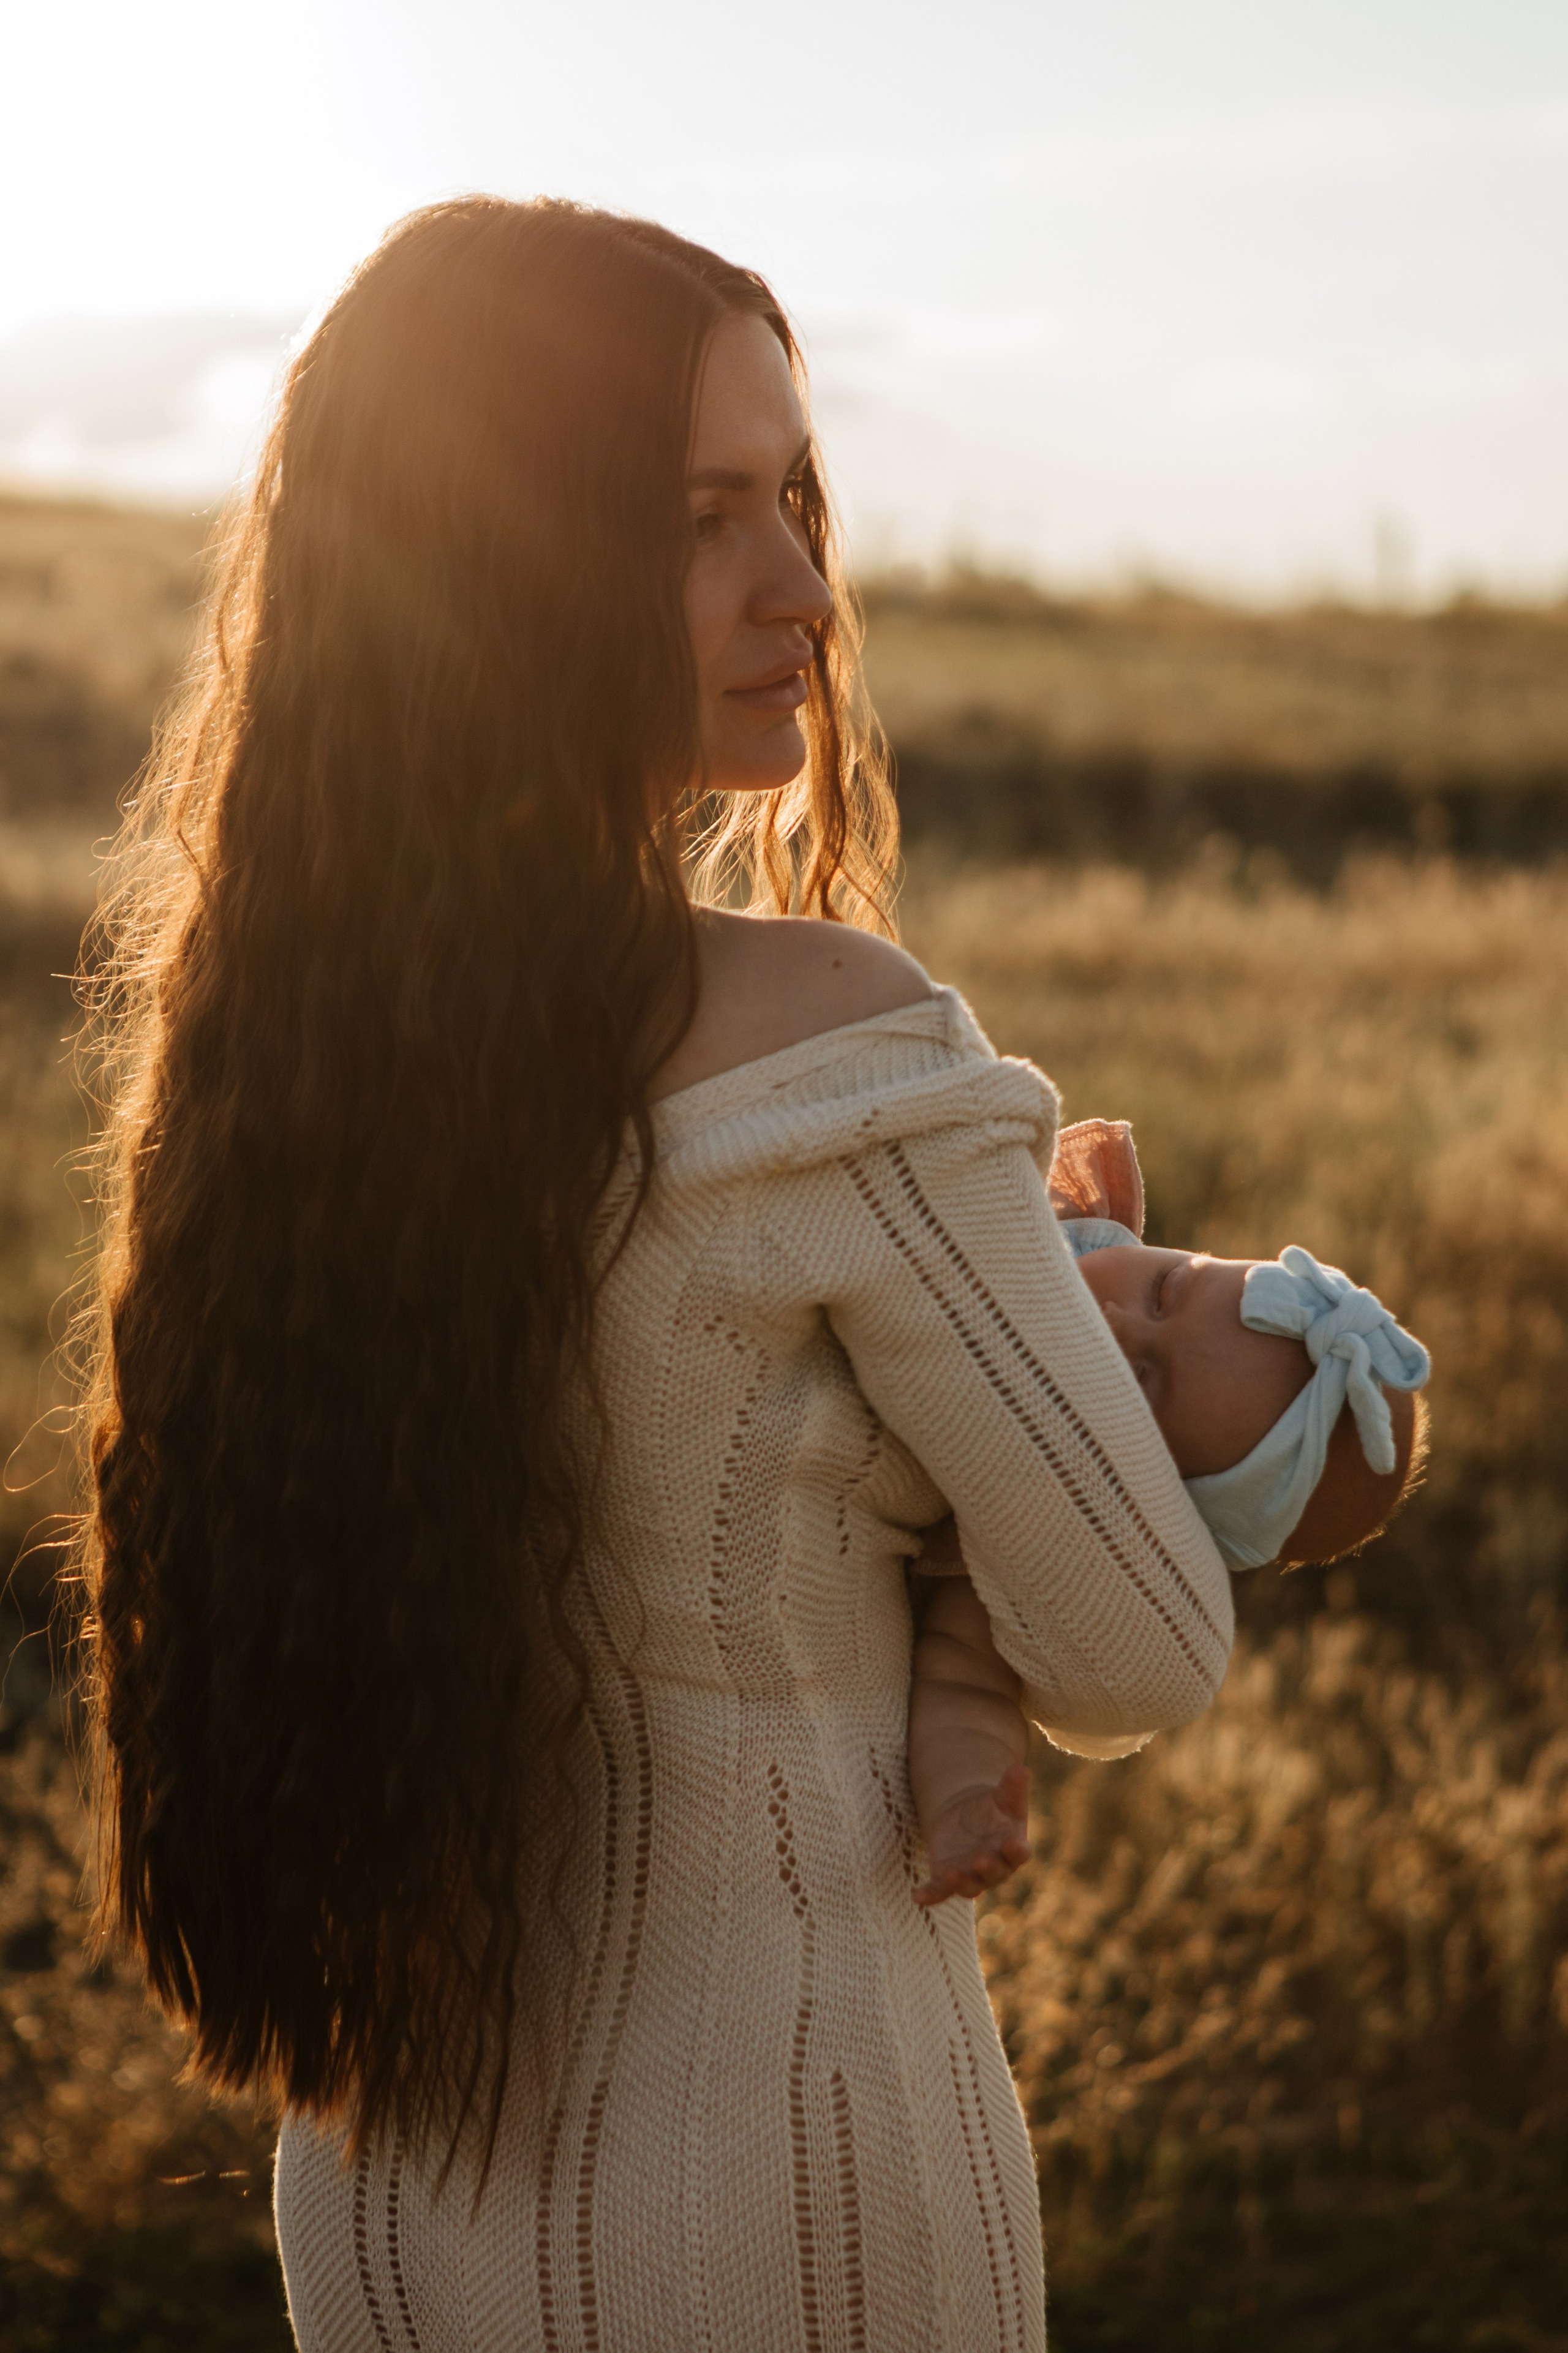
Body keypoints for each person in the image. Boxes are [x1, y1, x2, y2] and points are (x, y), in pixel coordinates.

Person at [77, 198, 1236, 2353]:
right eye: (705, 515)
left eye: (794, 496)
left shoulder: (275, 1093)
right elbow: (1140, 1645)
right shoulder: (831, 1050)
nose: (803, 586)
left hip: (391, 2201)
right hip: (801, 2194)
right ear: (504, 563)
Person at [907, 1121, 1430, 1909]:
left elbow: (962, 1687)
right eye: (1166, 1288)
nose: (1116, 1324)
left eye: (1144, 1383)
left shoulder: (1010, 1535)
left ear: (1142, 1499)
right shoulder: (1039, 1227)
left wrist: (966, 1800)